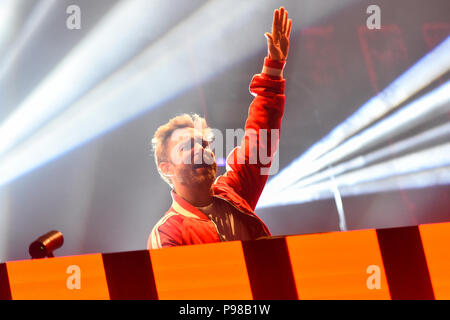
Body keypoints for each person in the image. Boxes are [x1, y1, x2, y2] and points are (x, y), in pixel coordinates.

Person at [148, 7, 292, 249]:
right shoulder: (169, 233)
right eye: (187, 147)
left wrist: (274, 67)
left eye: (204, 144)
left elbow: (260, 141)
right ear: (166, 168)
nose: (201, 150)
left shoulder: (234, 194)